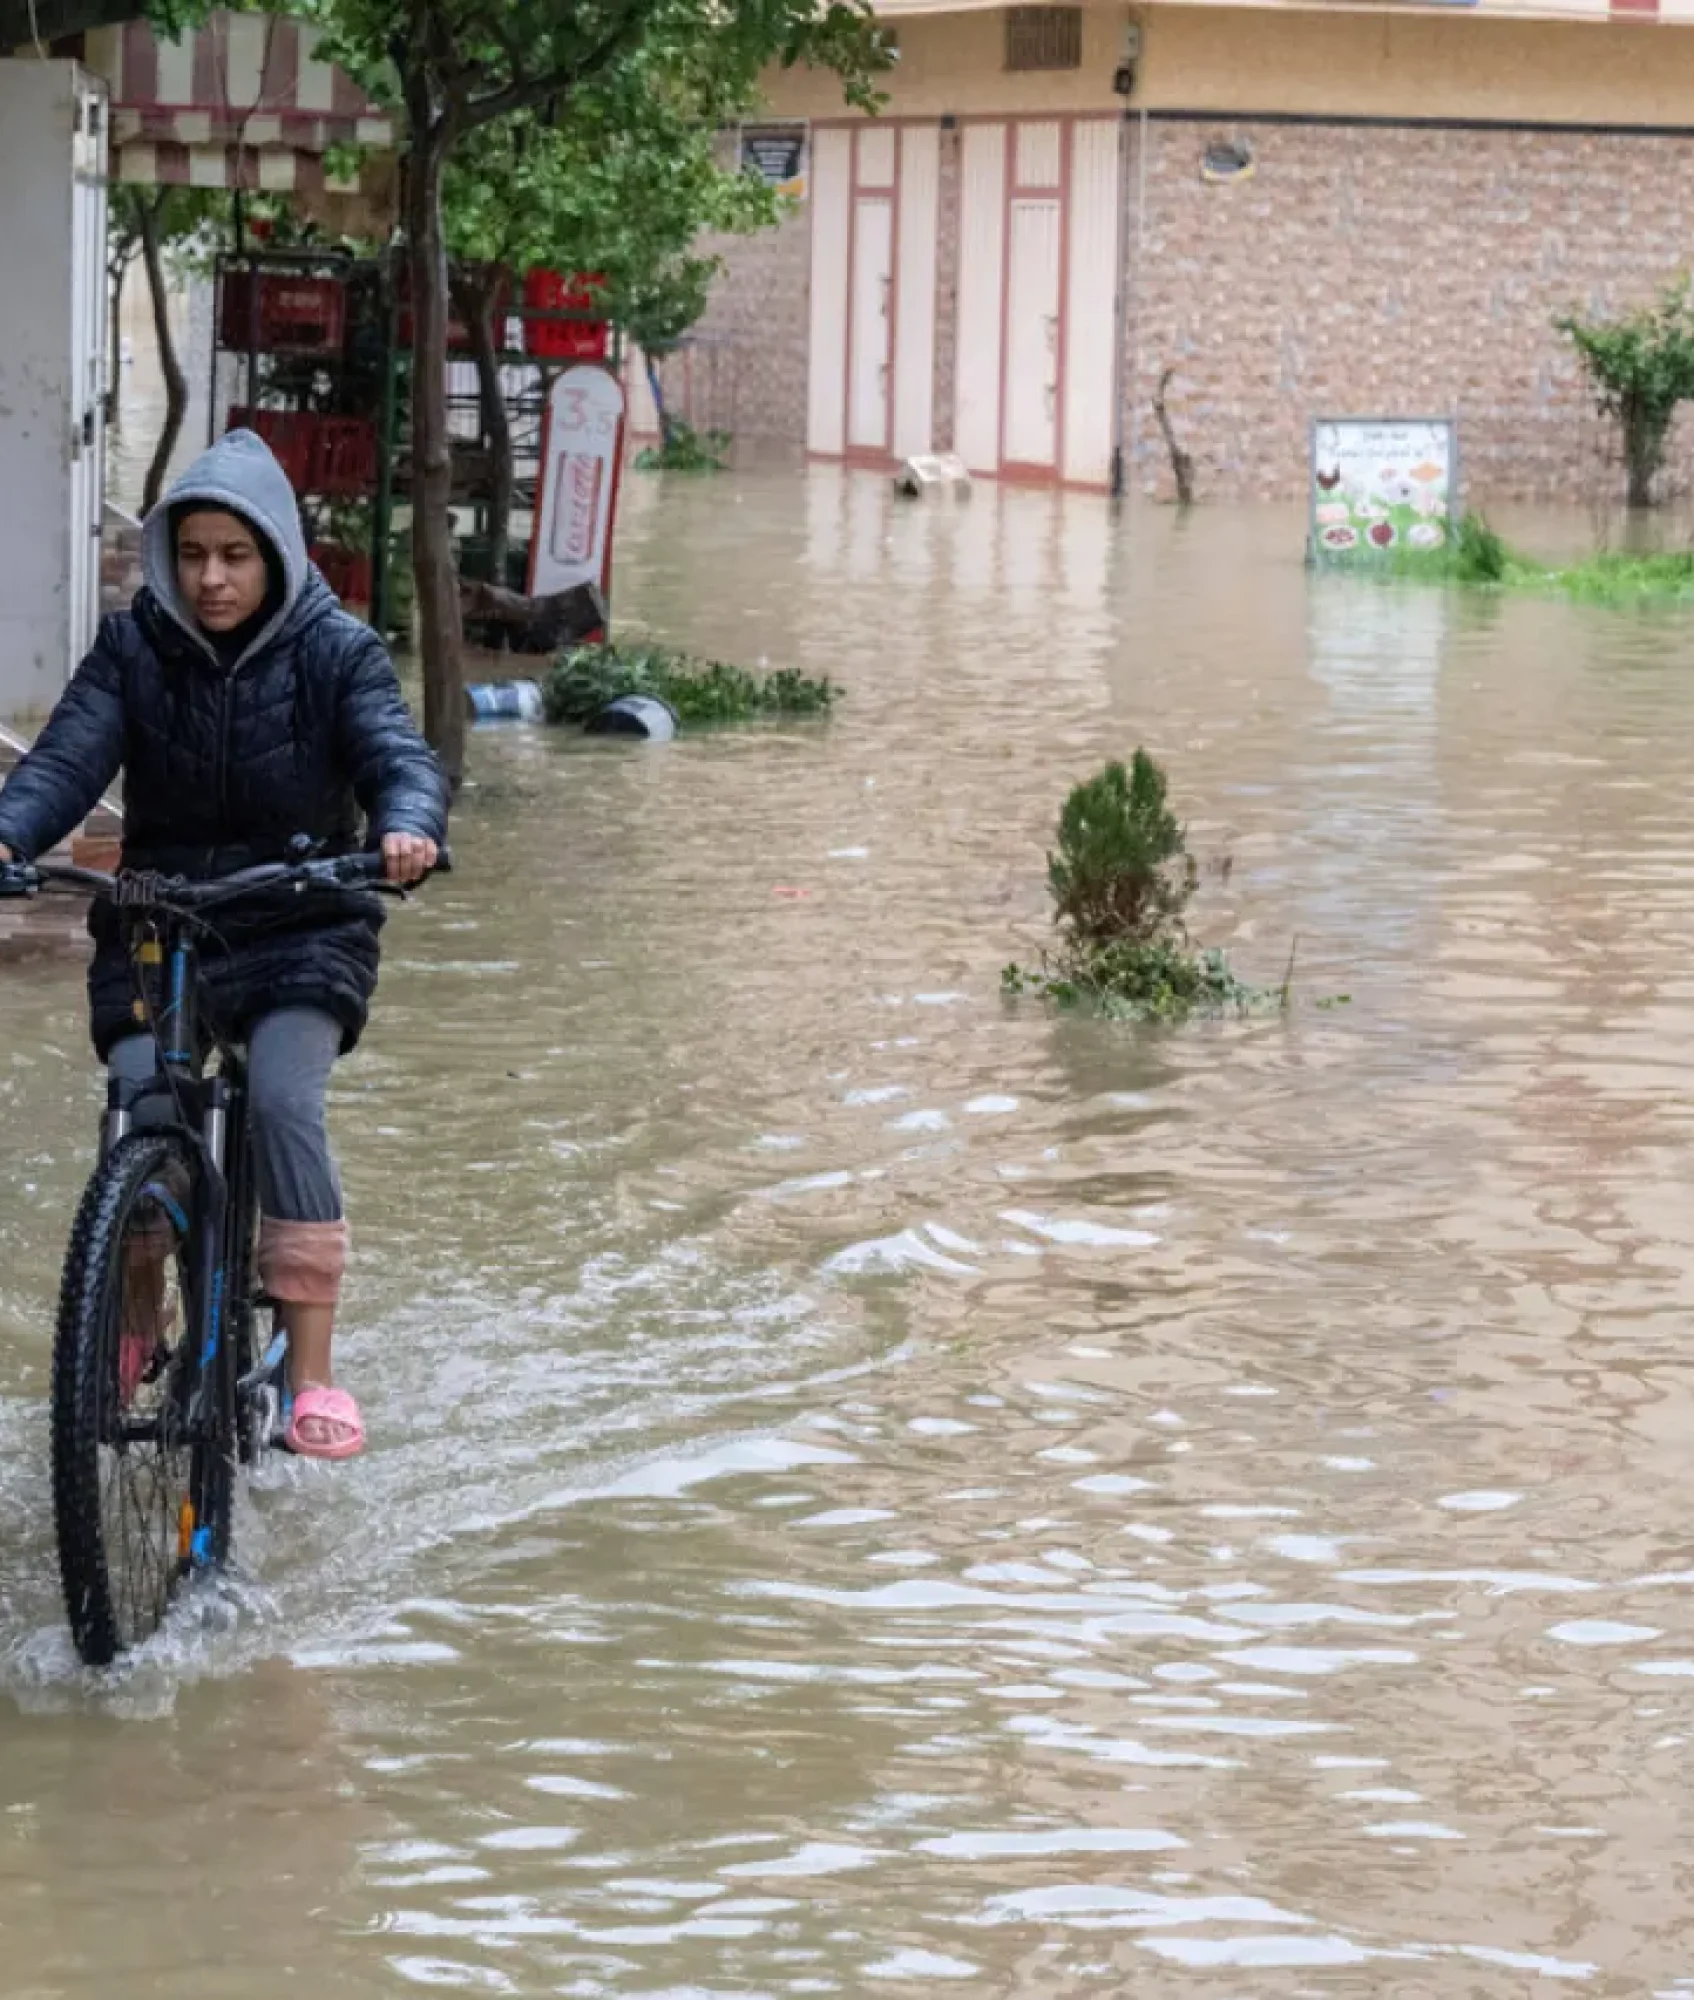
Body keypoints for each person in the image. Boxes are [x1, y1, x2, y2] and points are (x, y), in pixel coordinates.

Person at [0, 429, 448, 1460]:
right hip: (160, 916)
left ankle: (313, 1373)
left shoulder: (339, 650)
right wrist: (12, 832)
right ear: (168, 557)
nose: (210, 577)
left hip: (301, 916)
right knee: (139, 1108)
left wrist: (406, 825)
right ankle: (134, 1314)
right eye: (193, 554)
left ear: (277, 554)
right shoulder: (132, 647)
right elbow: (66, 756)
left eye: (233, 556)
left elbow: (395, 752)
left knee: (285, 1102)